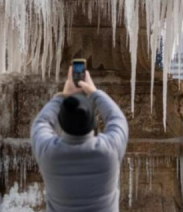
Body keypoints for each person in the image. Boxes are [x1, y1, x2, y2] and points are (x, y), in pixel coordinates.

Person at [31, 67, 129, 211]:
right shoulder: (109, 151)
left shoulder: (48, 153)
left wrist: (62, 96)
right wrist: (94, 92)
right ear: (93, 123)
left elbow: (40, 123)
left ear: (61, 122)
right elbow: (117, 119)